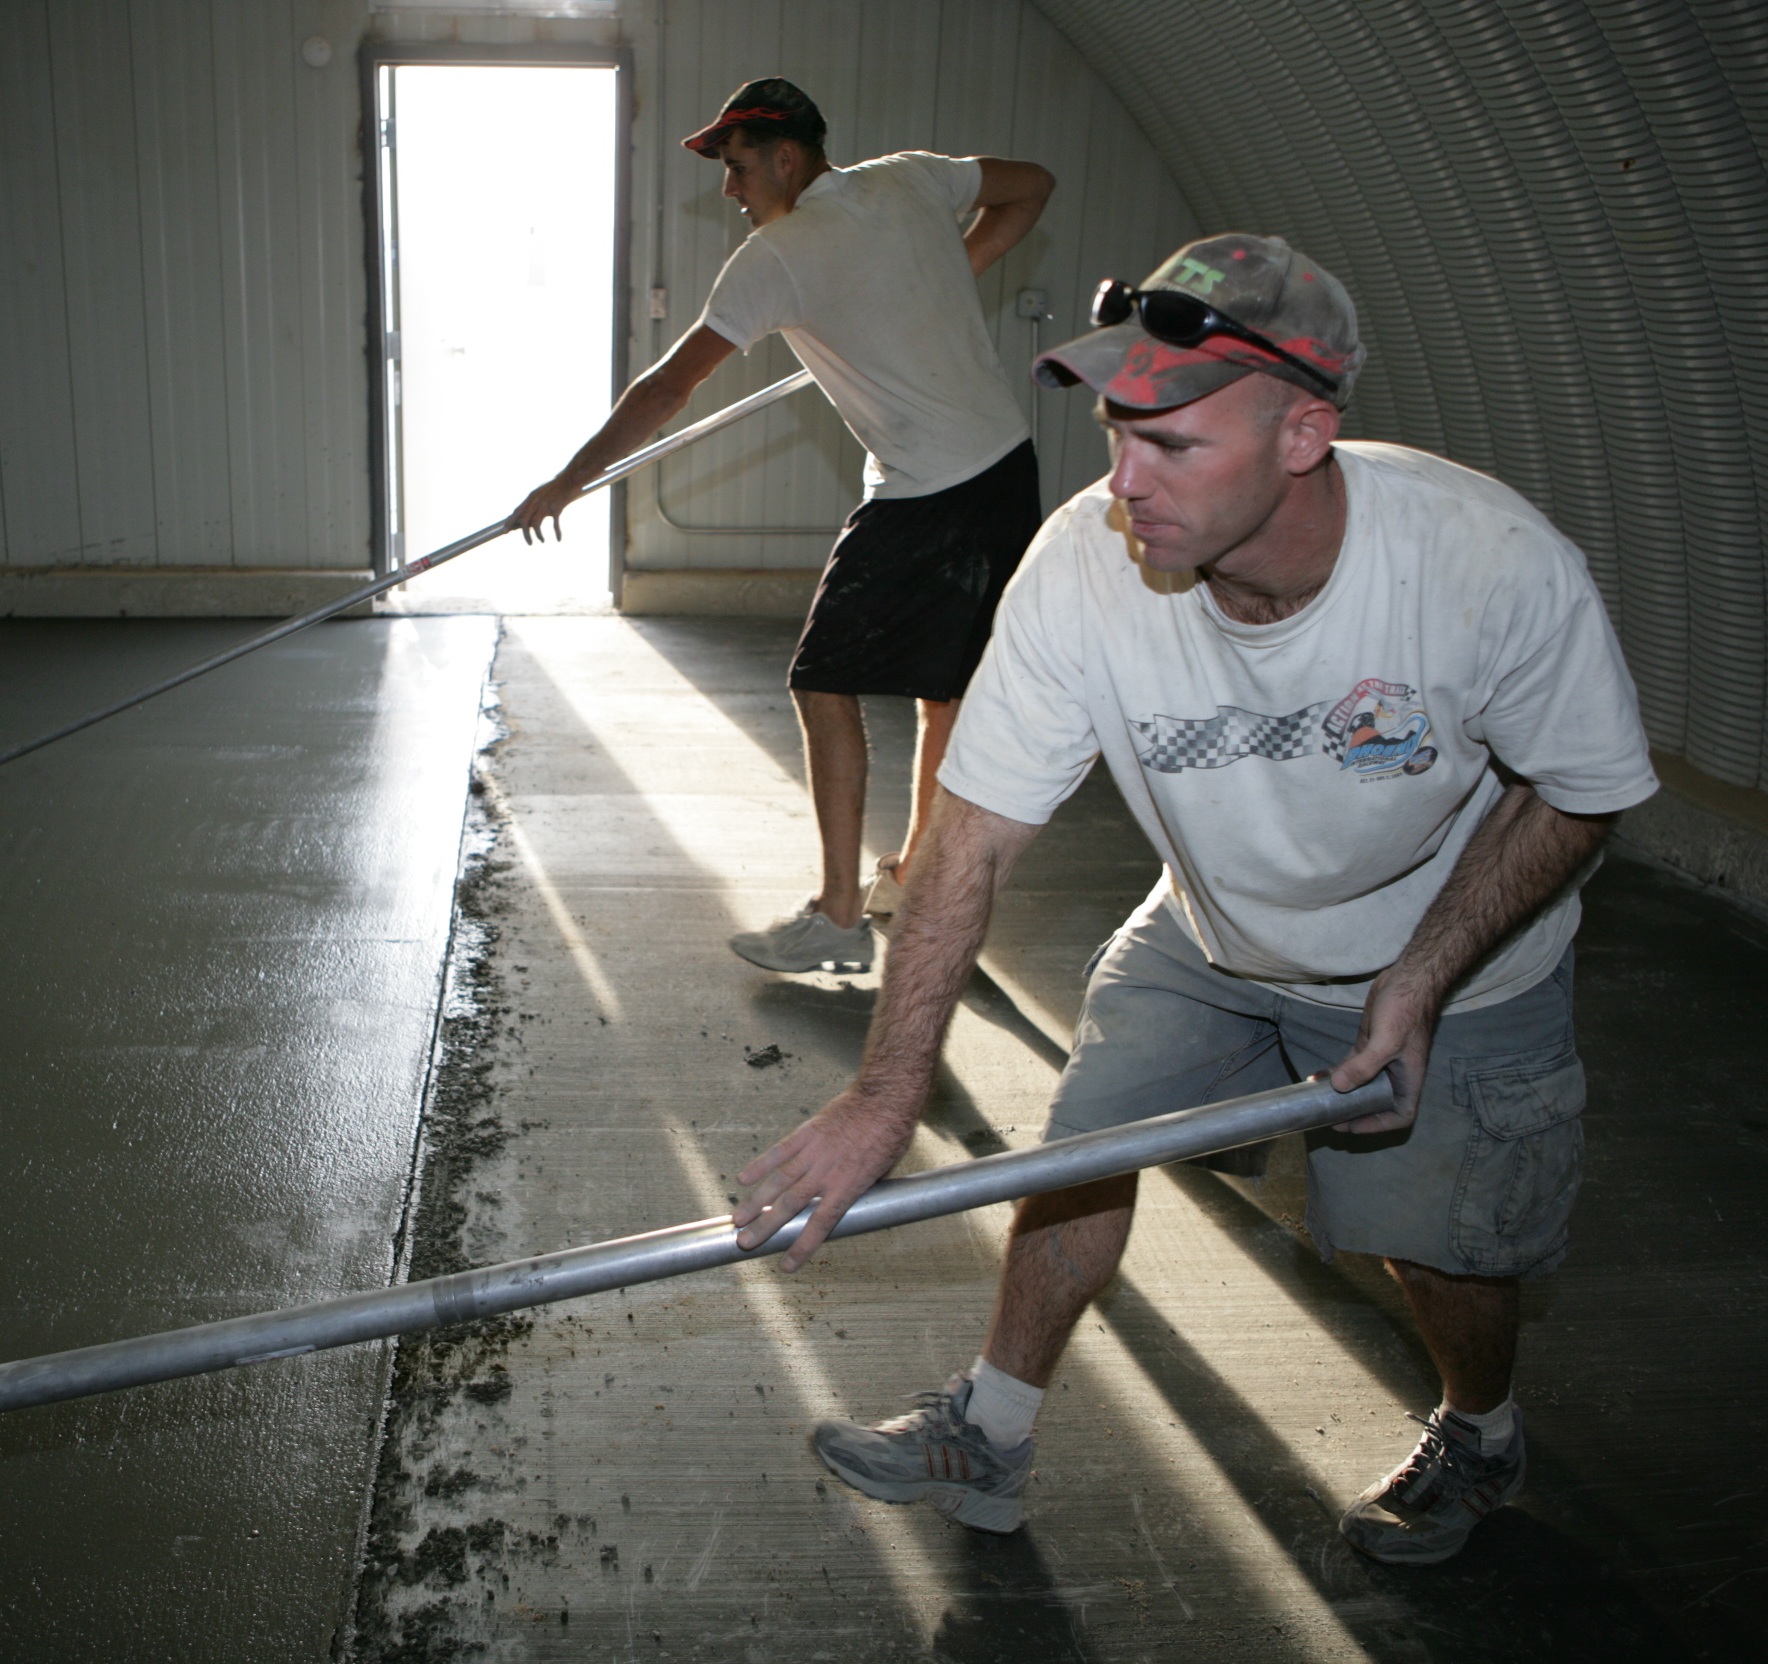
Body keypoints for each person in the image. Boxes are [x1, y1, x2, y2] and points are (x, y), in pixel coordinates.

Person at [725, 234, 1658, 1563]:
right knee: (1077, 1158)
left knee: (1435, 1250)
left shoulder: (1484, 565)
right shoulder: (1084, 571)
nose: (1126, 487)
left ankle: (1482, 1432)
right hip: (1212, 935)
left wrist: (1425, 970)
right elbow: (967, 840)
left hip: (1453, 957)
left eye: (1173, 445)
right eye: (1116, 435)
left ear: (1303, 433)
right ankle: (987, 1433)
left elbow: (1581, 789)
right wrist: (887, 1093)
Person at [512, 78, 1056, 974]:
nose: (729, 190)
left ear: (786, 157)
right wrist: (944, 276)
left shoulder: (780, 252)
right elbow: (1031, 183)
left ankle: (839, 919)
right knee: (945, 691)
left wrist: (571, 480)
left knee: (820, 680)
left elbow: (667, 388)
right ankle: (914, 880)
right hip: (1005, 468)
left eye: (736, 167)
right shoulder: (910, 179)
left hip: (929, 489)